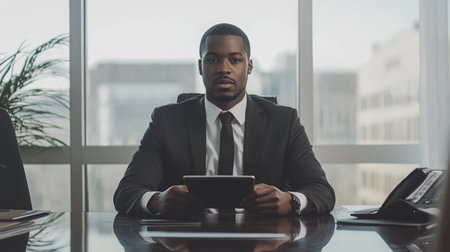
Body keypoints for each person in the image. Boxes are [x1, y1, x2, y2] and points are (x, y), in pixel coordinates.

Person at [114, 23, 335, 217]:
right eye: (212, 60)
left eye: (235, 59)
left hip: (263, 238)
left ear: (249, 66)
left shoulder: (284, 122)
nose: (224, 68)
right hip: (185, 238)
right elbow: (127, 191)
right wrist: (156, 201)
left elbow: (321, 191)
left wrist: (291, 202)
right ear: (200, 67)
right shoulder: (166, 121)